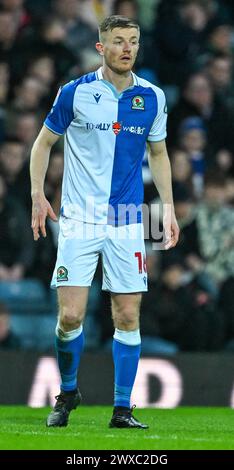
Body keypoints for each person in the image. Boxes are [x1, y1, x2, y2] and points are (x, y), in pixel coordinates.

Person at [30, 15, 179, 429]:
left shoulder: (152, 97)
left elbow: (160, 154)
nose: (127, 48)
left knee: (128, 315)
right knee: (71, 317)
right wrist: (37, 194)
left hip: (129, 219)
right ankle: (68, 391)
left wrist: (167, 207)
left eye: (133, 41)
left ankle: (121, 408)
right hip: (79, 218)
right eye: (118, 41)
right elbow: (43, 143)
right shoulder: (74, 93)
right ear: (101, 47)